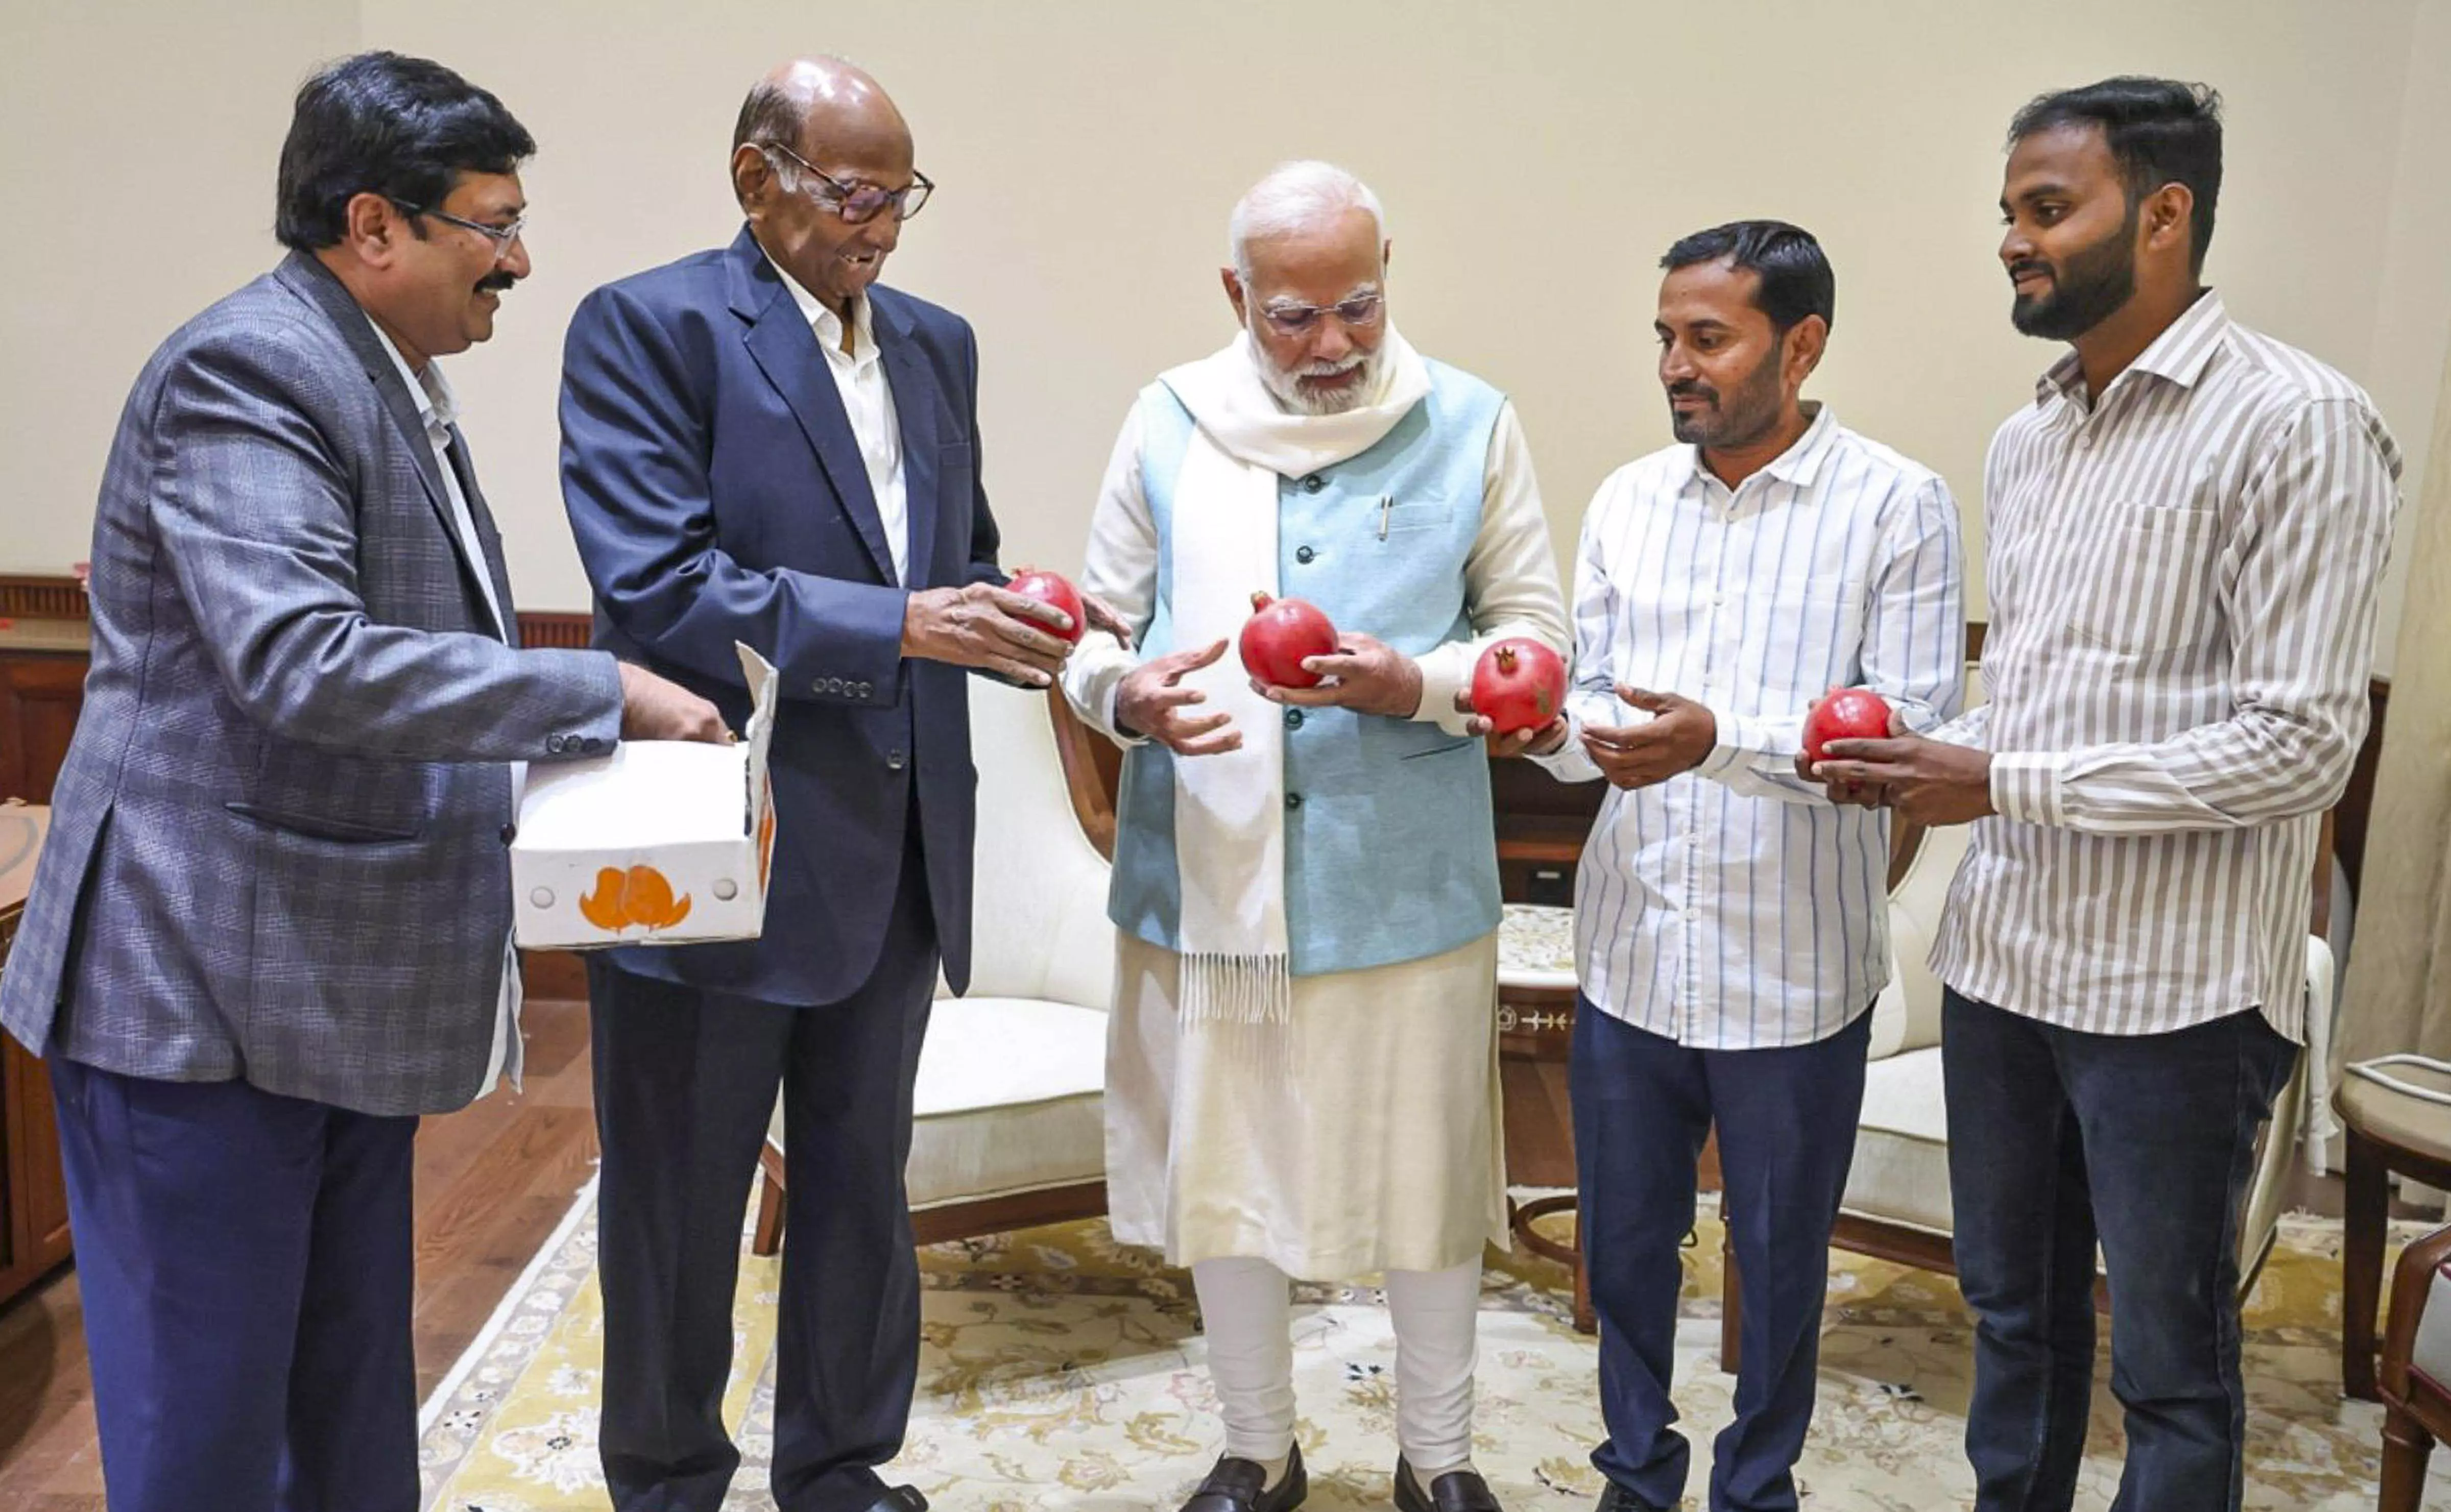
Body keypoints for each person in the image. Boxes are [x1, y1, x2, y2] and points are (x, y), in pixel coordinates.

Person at [0, 51, 724, 1512]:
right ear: (374, 225)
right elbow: (308, 663)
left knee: (342, 1414)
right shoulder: (253, 368)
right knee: (210, 1443)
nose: (518, 260)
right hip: (197, 995)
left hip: (323, 990)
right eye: (491, 222)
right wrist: (601, 689)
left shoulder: (381, 370)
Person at [1807, 78, 2402, 1510]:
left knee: (2175, 1372)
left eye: (2046, 208)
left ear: (2164, 213)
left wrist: (1999, 774)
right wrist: (1927, 739)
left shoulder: (2302, 423)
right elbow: (2049, 695)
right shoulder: (2032, 438)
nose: (2013, 239)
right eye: (2007, 212)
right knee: (2014, 1326)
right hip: (2008, 967)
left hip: (2177, 1001)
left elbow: (2302, 744)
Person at [558, 56, 1104, 1512]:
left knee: (862, 1186)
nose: (884, 227)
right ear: (759, 177)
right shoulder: (650, 327)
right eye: (856, 194)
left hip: (900, 850)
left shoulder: (939, 344)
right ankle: (669, 1482)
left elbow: (955, 560)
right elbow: (660, 586)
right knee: (682, 1199)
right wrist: (911, 623)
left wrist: (1033, 615)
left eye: (900, 198)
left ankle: (842, 1469)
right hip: (711, 847)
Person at [1061, 160, 1568, 1512]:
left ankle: (1440, 1458)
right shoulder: (1169, 421)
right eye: (1295, 317)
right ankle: (1257, 1447)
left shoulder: (1471, 420)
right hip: (1209, 885)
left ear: (1389, 269)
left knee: (1426, 1179)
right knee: (1229, 1181)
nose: (1335, 344)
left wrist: (1423, 683)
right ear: (1237, 295)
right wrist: (1126, 692)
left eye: (1358, 304)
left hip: (1404, 878)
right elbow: (1095, 633)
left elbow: (1534, 631)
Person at [1511, 221, 1963, 1512]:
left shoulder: (1896, 502)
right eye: (1664, 336)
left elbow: (1909, 729)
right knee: (1627, 1246)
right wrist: (1544, 723)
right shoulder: (1626, 499)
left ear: (1802, 343)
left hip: (1796, 970)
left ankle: (1757, 1483)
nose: (1674, 365)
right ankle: (1634, 1472)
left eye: (1708, 337)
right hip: (1634, 950)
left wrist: (1720, 743)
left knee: (1778, 1259)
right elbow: (1591, 709)